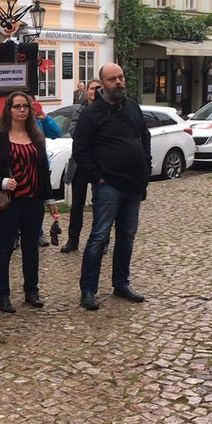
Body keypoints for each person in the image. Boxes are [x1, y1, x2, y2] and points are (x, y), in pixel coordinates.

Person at [72, 63, 151, 311]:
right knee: (99, 236)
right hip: (108, 187)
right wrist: (97, 177)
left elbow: (144, 136)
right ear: (103, 83)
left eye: (121, 77)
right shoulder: (91, 114)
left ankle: (121, 283)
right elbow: (80, 151)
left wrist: (146, 169)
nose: (118, 82)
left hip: (133, 184)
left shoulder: (132, 107)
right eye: (112, 79)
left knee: (127, 236)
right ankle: (88, 289)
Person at [0, 91, 51, 313]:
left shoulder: (36, 137)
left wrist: (49, 198)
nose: (22, 110)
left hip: (33, 200)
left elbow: (43, 170)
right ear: (8, 109)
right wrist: (1, 182)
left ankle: (31, 291)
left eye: (25, 106)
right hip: (9, 201)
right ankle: (2, 295)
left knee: (31, 248)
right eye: (17, 106)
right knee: (5, 247)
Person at [61, 78, 101, 253]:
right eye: (92, 88)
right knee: (77, 204)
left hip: (100, 164)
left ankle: (101, 240)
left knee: (99, 203)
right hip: (80, 163)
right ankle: (73, 240)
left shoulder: (107, 110)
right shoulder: (81, 109)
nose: (94, 91)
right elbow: (74, 132)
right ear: (87, 91)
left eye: (98, 88)